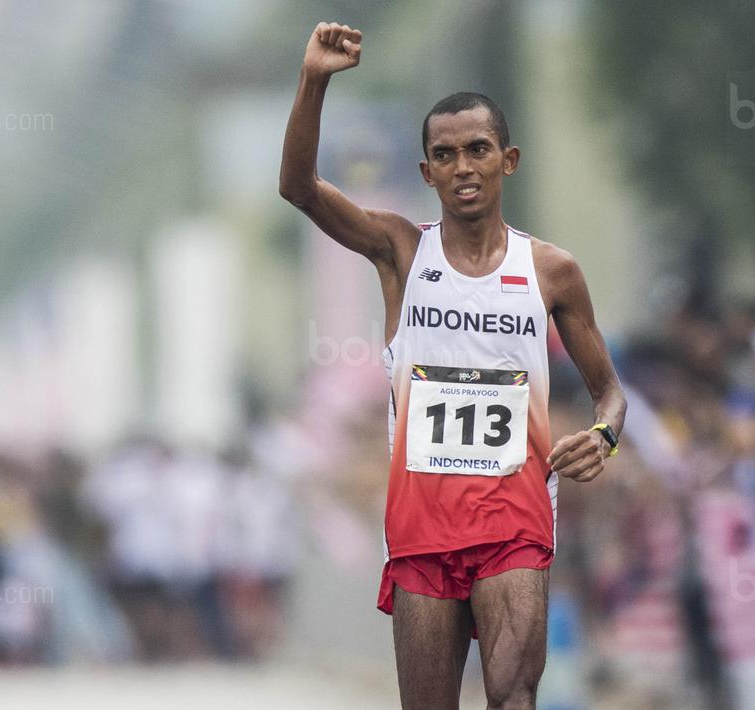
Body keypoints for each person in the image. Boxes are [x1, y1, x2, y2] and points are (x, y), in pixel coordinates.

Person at [280, 22, 628, 710]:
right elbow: (298, 187)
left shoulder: (551, 271)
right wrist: (314, 80)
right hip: (421, 526)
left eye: (477, 150)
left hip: (515, 518)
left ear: (508, 159)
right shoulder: (400, 252)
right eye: (445, 155)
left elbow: (610, 394)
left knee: (513, 694)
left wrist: (603, 436)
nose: (462, 166)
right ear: (426, 172)